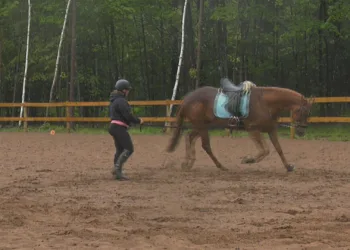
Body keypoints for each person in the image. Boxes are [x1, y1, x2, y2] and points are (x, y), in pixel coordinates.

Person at [108, 79, 143, 181]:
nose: (128, 92)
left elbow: (122, 116)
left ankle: (116, 170)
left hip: (115, 127)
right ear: (123, 90)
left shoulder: (114, 100)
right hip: (118, 128)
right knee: (129, 148)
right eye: (127, 90)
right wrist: (138, 120)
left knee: (120, 149)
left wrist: (130, 122)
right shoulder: (121, 101)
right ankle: (118, 171)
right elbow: (128, 115)